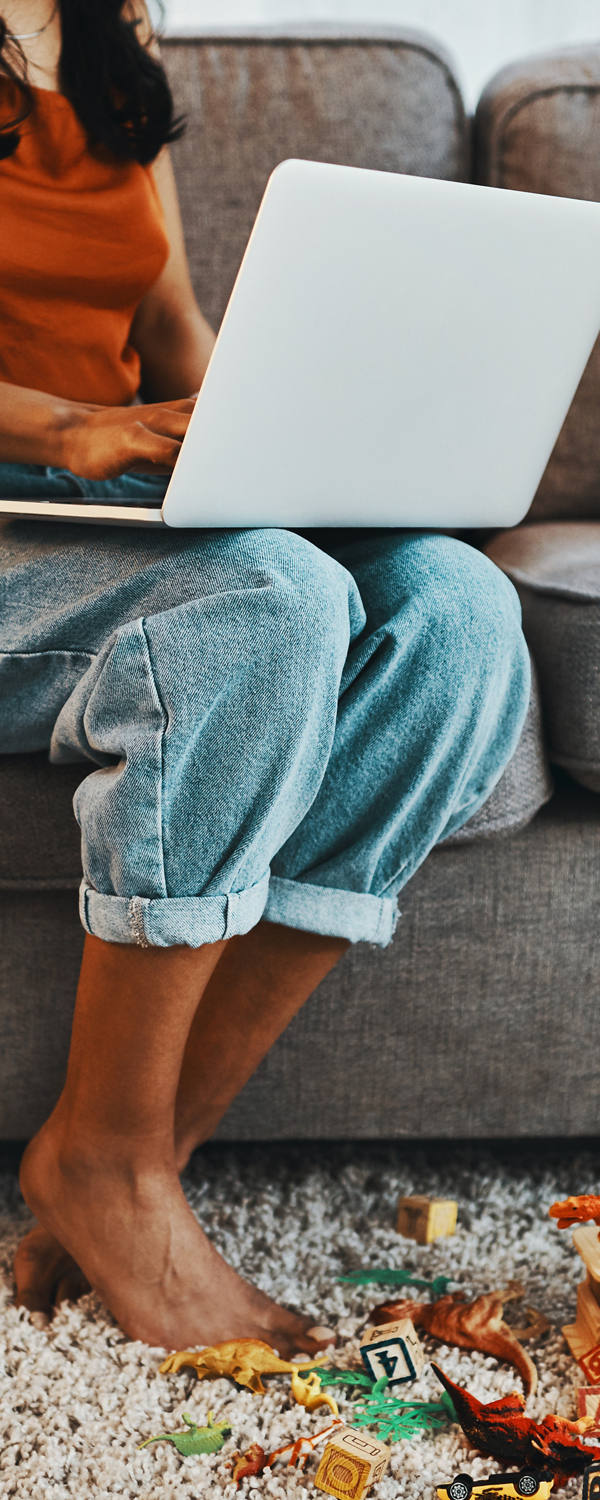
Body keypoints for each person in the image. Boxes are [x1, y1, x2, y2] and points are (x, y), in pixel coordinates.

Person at [0, 0, 531, 1355]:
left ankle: (120, 1165)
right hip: (18, 518)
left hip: (116, 509)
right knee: (269, 602)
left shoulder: (112, 31)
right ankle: (117, 1175)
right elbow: (94, 411)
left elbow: (167, 319)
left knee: (459, 615)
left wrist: (275, 445)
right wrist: (79, 426)